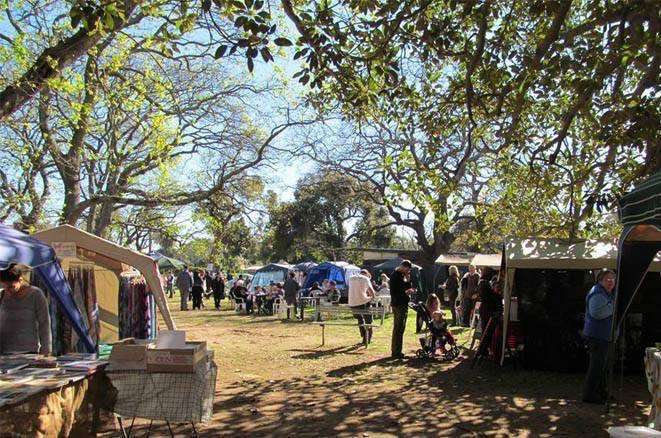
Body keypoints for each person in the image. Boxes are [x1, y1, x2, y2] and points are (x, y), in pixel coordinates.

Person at [0, 264, 52, 355]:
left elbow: (44, 323)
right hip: (4, 352)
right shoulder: (2, 295)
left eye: (11, 287)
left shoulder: (35, 294)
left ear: (20, 280)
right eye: (5, 286)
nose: (8, 290)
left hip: (28, 352)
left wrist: (46, 348)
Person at [582, 269, 616, 404]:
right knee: (596, 367)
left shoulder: (606, 293)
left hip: (604, 336)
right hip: (597, 336)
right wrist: (614, 306)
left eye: (613, 279)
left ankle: (601, 392)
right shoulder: (597, 293)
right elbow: (597, 313)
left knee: (603, 367)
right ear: (600, 280)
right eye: (608, 279)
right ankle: (589, 395)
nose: (611, 282)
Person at [390, 260, 415, 359]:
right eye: (407, 270)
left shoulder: (401, 275)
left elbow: (405, 287)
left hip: (402, 304)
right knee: (398, 328)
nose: (408, 272)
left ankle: (397, 350)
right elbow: (395, 292)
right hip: (398, 304)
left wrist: (408, 281)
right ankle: (396, 352)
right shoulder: (396, 276)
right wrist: (406, 292)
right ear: (403, 267)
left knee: (400, 328)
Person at [348, 269, 376, 344]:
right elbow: (372, 292)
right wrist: (372, 298)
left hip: (352, 304)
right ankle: (367, 338)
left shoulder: (351, 278)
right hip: (363, 303)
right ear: (367, 274)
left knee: (360, 319)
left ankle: (363, 336)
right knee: (368, 321)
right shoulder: (365, 279)